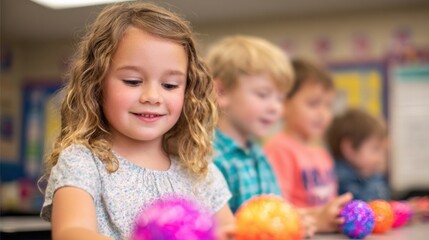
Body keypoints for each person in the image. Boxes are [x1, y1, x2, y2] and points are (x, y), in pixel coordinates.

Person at [39, 2, 234, 239]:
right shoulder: (82, 161)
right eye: (132, 81)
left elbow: (228, 231)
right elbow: (71, 232)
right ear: (97, 84)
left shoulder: (201, 171)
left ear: (188, 91)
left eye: (170, 85)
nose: (152, 97)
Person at [207, 36, 317, 237]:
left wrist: (296, 222)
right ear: (221, 92)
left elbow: (276, 213)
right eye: (263, 94)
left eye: (280, 98)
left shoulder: (259, 154)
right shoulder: (208, 157)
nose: (275, 108)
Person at [264, 58, 352, 232]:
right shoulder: (279, 149)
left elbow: (329, 202)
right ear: (284, 104)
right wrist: (318, 218)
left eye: (328, 106)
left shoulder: (322, 152)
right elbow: (278, 209)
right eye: (313, 104)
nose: (323, 113)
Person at [326, 108, 389, 202]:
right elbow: (366, 205)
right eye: (375, 149)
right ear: (350, 148)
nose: (380, 158)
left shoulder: (370, 175)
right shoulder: (340, 179)